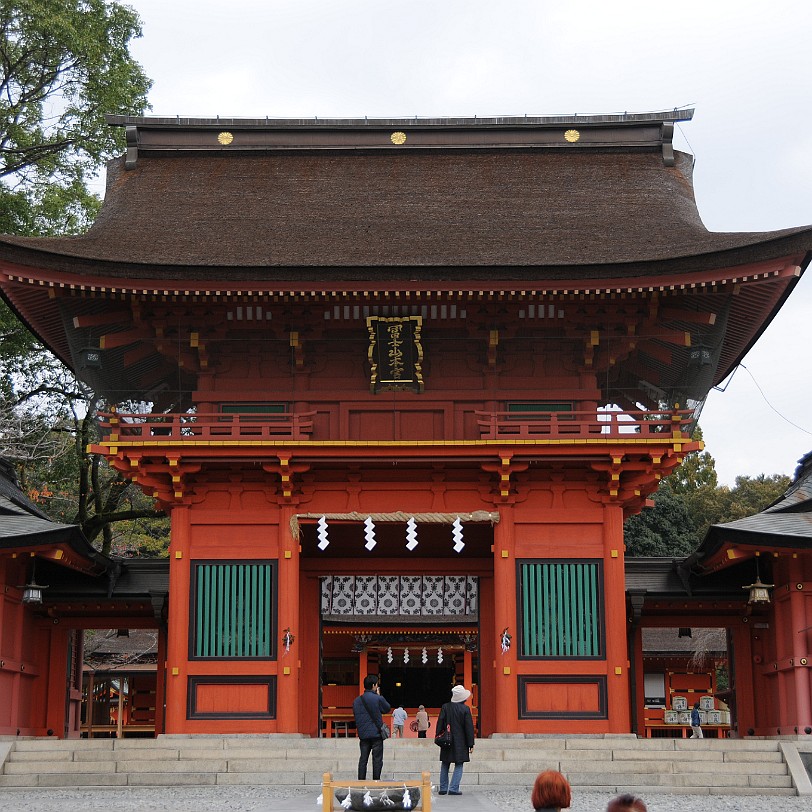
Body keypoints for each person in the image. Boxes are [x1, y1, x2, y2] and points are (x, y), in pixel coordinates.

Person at [436, 684, 475, 795]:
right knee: (459, 764)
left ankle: (443, 788)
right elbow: (469, 728)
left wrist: (438, 736)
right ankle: (453, 788)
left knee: (445, 763)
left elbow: (440, 723)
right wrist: (470, 744)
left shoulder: (445, 707)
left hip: (446, 739)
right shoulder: (465, 709)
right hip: (460, 742)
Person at [352, 674, 391, 780]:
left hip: (363, 735)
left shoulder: (356, 701)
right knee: (377, 759)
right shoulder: (377, 699)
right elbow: (387, 709)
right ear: (374, 685)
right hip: (376, 733)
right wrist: (378, 695)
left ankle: (361, 782)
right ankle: (376, 781)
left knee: (363, 759)